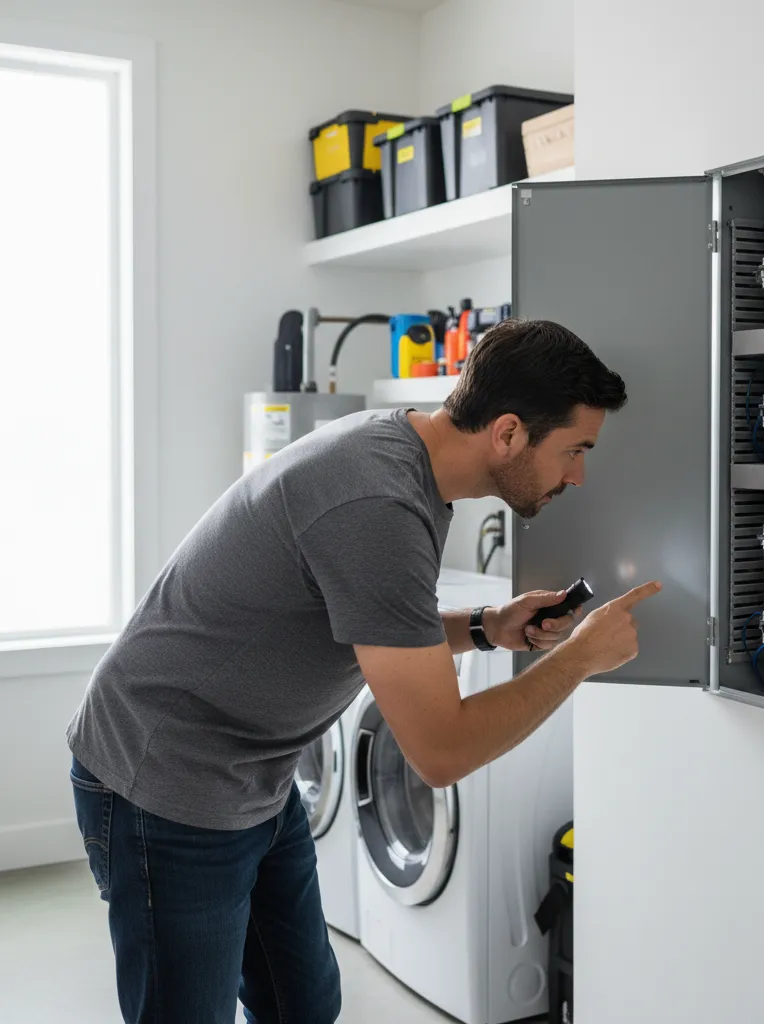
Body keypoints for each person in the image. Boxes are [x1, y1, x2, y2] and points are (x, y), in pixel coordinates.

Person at [66, 317, 661, 1023]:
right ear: (507, 434)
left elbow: (376, 628)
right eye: (575, 449)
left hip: (254, 773)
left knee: (303, 1005)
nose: (578, 475)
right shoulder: (377, 503)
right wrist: (580, 658)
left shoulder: (404, 457)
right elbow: (442, 752)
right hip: (165, 780)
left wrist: (487, 627)